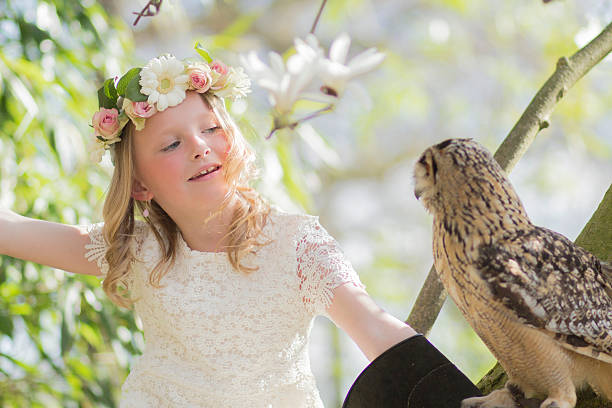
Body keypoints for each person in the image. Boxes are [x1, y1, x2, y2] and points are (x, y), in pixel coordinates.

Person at [0, 54, 479, 407]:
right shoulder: (136, 250)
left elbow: (378, 331)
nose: (199, 147)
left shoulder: (297, 245)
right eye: (171, 144)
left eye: (209, 129)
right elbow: (13, 230)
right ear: (141, 184)